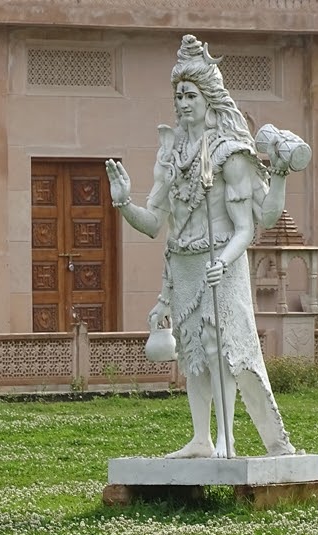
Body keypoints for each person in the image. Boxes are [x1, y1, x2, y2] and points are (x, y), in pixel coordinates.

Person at [106, 34, 296, 458]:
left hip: (220, 261)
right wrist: (123, 203)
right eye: (179, 96)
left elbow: (248, 228)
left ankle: (227, 436)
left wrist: (224, 261)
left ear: (209, 99)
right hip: (185, 266)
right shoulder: (171, 155)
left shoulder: (229, 153)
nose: (183, 103)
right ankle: (200, 439)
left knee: (220, 347)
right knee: (192, 352)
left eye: (191, 95)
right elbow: (154, 223)